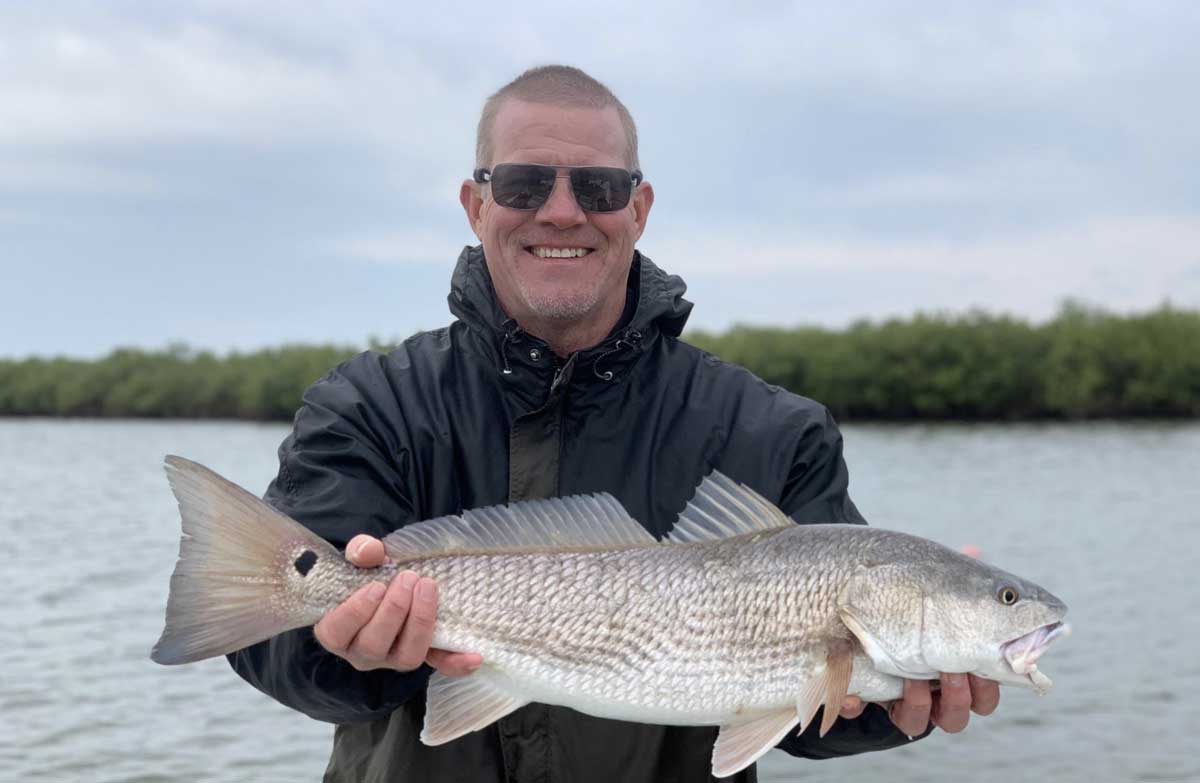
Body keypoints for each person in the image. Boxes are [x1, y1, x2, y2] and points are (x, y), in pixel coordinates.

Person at [228, 65, 1000, 782]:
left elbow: (806, 719)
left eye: (598, 186)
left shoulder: (772, 430)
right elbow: (266, 642)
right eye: (526, 183)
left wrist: (906, 704)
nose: (562, 211)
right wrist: (349, 650)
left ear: (638, 207)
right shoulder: (368, 406)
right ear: (476, 203)